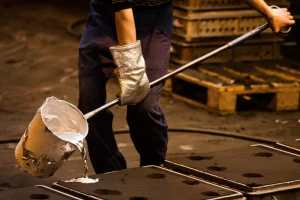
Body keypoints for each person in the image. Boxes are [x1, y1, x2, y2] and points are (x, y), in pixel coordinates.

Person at [77, 0, 295, 174]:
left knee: (144, 105)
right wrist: (132, 71)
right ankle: (110, 174)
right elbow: (123, 14)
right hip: (107, 17)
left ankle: (153, 170)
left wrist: (267, 12)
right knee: (89, 103)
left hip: (154, 19)